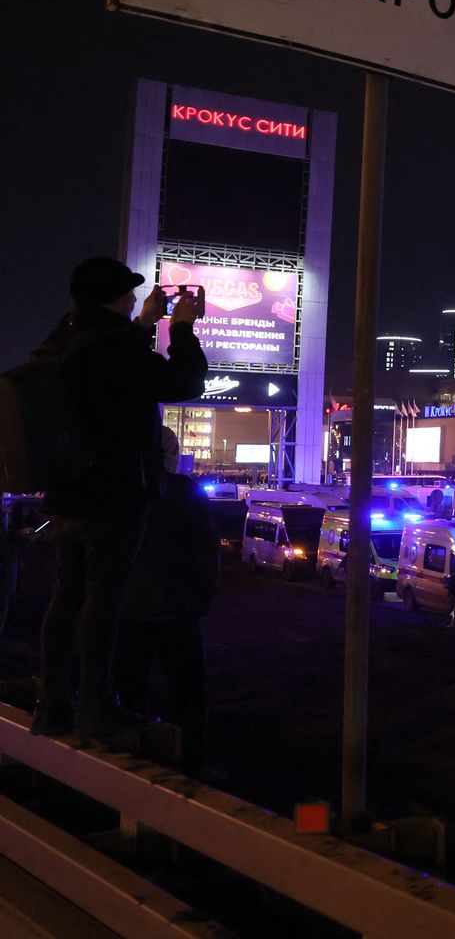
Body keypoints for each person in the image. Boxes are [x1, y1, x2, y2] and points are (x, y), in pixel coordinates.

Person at [33, 259, 206, 738]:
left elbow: (101, 363)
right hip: (115, 492)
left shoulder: (63, 336)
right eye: (130, 294)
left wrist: (145, 325)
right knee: (103, 602)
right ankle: (95, 705)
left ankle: (52, 701)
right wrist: (182, 330)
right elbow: (186, 383)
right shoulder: (115, 350)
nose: (136, 299)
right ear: (115, 297)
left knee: (66, 596)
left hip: (66, 488)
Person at [113, 427, 218, 772]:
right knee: (188, 692)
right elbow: (205, 551)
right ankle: (193, 759)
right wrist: (202, 597)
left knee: (129, 690)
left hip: (127, 612)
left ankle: (129, 760)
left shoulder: (122, 491)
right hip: (178, 611)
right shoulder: (186, 493)